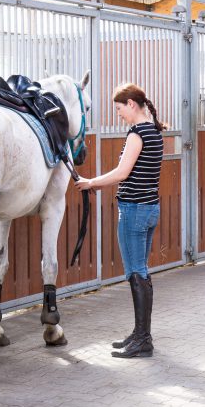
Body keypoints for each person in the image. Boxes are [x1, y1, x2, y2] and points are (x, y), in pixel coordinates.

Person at [76, 83, 164, 358]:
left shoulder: (137, 133)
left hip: (134, 209)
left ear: (132, 105)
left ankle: (143, 339)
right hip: (150, 208)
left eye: (119, 109)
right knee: (142, 270)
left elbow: (122, 172)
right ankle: (141, 335)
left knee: (135, 271)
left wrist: (91, 182)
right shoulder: (155, 130)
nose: (118, 115)